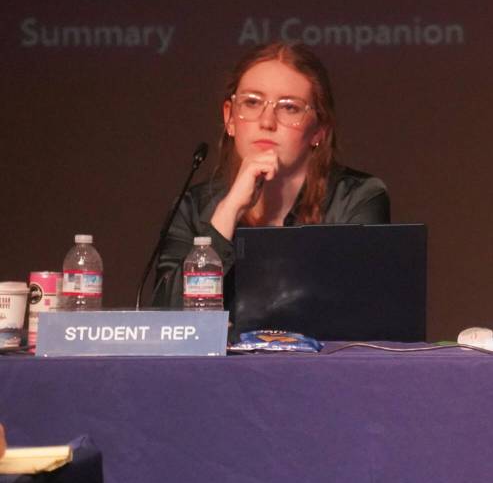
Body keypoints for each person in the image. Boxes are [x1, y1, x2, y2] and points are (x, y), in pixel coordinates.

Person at [151, 42, 390, 307]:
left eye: (289, 107)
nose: (267, 122)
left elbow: (365, 311)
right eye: (252, 103)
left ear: (319, 129)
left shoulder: (356, 199)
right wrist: (228, 211)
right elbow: (166, 319)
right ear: (230, 118)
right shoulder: (192, 208)